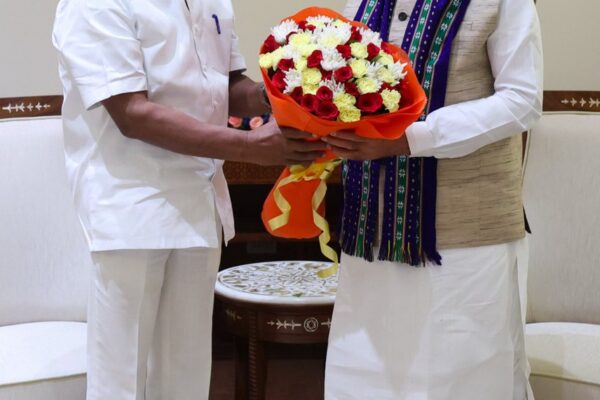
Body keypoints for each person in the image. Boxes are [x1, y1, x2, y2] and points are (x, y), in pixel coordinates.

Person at [52, 0, 325, 399]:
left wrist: (282, 93)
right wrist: (250, 147)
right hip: (132, 204)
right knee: (121, 376)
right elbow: (132, 113)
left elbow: (225, 86)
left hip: (200, 200)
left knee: (186, 372)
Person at [322, 0, 543, 399]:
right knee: (363, 380)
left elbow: (522, 100)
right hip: (370, 235)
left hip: (465, 238)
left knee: (462, 379)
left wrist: (411, 139)